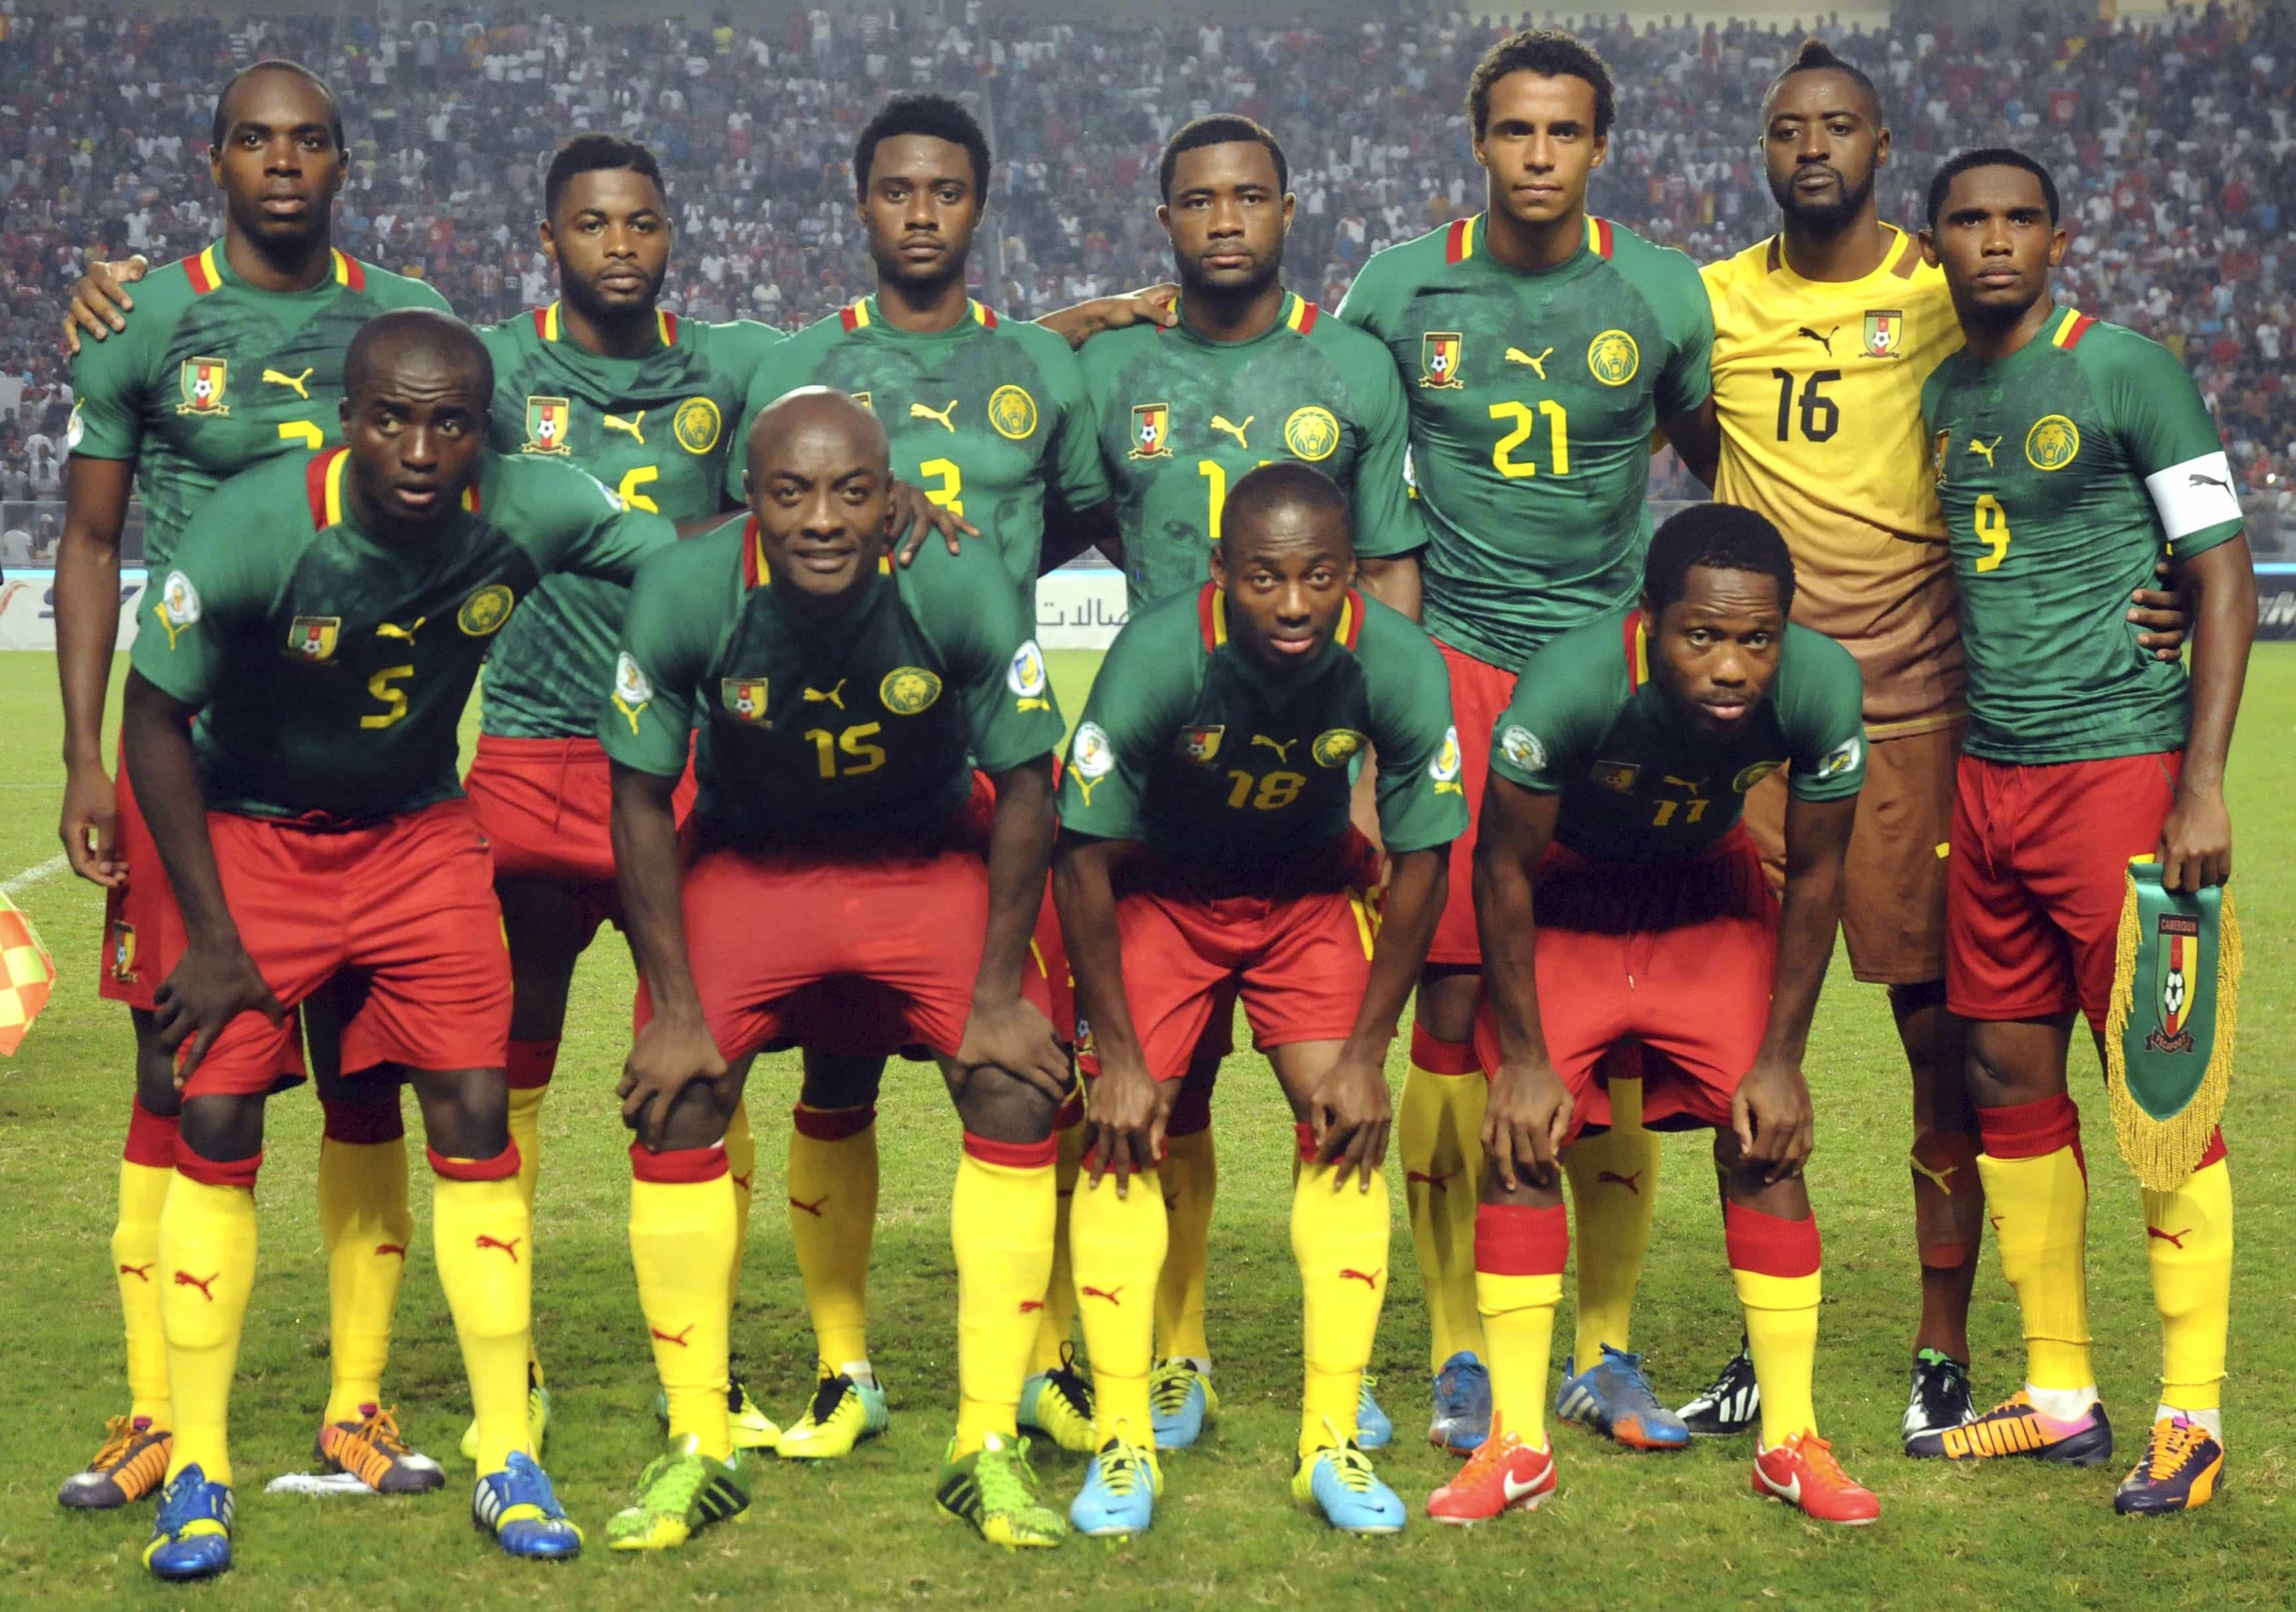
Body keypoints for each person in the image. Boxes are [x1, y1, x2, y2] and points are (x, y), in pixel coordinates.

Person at [1671, 37, 2191, 1450]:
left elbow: (2068, 428)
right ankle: (1753, 1341)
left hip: (1919, 722)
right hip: (1758, 734)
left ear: (1883, 143)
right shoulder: (1710, 301)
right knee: (1738, 1038)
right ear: (1763, 150)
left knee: (1941, 1048)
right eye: (1790, 130)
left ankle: (1943, 1347)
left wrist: (2157, 580)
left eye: (1841, 125)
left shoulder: (1952, 290)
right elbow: (1682, 427)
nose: (1815, 149)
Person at [119, 307, 678, 1578]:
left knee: (475, 1116)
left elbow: (686, 558)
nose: (422, 447)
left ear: (482, 432)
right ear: (347, 420)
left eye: (450, 422)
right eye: (393, 417)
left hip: (420, 836)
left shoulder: (532, 506)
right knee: (215, 1122)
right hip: (256, 837)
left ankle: (504, 1453)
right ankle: (196, 1465)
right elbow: (153, 717)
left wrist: (840, 534)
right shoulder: (261, 527)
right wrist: (209, 936)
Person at [53, 59, 454, 1515]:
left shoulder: (404, 320)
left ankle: (356, 1404)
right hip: (199, 780)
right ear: (215, 158)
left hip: (375, 774)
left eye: (309, 141)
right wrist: (85, 750)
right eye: (254, 141)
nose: (282, 162)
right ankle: (157, 1406)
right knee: (177, 1074)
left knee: (366, 1083)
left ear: (344, 160)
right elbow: (91, 544)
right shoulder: (148, 318)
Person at [721, 92, 1122, 1462]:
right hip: (828, 781)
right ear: (863, 204)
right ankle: (845, 1368)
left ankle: (1044, 1352)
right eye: (897, 190)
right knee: (831, 1076)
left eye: (946, 190)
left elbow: (1081, 526)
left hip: (991, 779)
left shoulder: (1041, 371)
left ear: (979, 203)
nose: (921, 213)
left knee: (1025, 1065)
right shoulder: (797, 368)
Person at [602, 387, 1074, 1550]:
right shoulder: (682, 589)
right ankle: (698, 1445)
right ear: (749, 501)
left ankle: (986, 1447)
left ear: (890, 499)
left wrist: (1002, 991)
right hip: (755, 869)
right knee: (677, 1094)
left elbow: (1027, 784)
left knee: (1017, 1083)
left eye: (851, 492)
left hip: (920, 865)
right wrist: (670, 1007)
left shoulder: (955, 580)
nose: (821, 519)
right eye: (792, 493)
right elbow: (637, 799)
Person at [1336, 27, 1714, 1456]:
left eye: (1565, 133)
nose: (1539, 156)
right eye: (1515, 133)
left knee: (1604, 1019)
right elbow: (1345, 452)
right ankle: (1458, 1354)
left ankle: (1605, 1353)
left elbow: (1714, 456)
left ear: (1599, 146)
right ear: (1477, 141)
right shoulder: (1397, 287)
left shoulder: (1658, 290)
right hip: (1456, 673)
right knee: (1445, 1013)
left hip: (1615, 677)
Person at [1070, 112, 1422, 1453]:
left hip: (1306, 783)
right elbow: (1011, 451)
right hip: (1162, 786)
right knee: (1170, 1087)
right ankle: (1180, 1348)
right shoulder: (1114, 373)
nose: (1226, 219)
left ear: (1288, 209)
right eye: (1199, 200)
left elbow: (1387, 569)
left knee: (1326, 1079)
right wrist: (1082, 313)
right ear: (1164, 221)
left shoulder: (1352, 367)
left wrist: (1381, 780)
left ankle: (1341, 1364)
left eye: (1250, 196)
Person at [1914, 148, 2254, 1516]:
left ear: (2057, 236)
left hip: (2119, 774)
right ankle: (2059, 1396)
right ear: (1935, 241)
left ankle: (2194, 1413)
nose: (1993, 241)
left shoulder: (2132, 369)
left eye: (2017, 219)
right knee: (2007, 1083)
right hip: (1988, 782)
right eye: (1968, 221)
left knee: (2163, 1098)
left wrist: (2204, 779)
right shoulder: (1943, 391)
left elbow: (2220, 572)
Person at [1436, 503, 1880, 1527]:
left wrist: (1781, 1058)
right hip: (1571, 895)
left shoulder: (1820, 688)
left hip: (1703, 896)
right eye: (1703, 636)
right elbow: (1499, 863)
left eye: (1756, 640)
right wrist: (1526, 1059)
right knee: (1521, 1138)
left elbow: (1815, 876)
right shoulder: (1569, 686)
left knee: (1765, 1140)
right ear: (1649, 621)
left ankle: (1791, 1441)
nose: (1732, 667)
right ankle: (1514, 1444)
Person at [460, 133, 789, 1463]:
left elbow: (893, 356)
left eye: (641, 223)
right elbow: (325, 364)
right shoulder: (490, 366)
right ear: (551, 238)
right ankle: (514, 1352)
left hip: (689, 757)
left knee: (706, 1050)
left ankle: (698, 1367)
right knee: (508, 1056)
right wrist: (126, 295)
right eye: (593, 224)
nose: (619, 245)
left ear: (671, 235)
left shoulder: (734, 363)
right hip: (534, 752)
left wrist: (1083, 323)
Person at [1052, 463, 1459, 1536]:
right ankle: (1123, 1439)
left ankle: (1328, 1440)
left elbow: (1422, 862)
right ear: (1221, 570)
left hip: (1304, 895)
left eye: (1319, 577)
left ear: (1350, 577)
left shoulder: (1398, 662)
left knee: (1344, 1121)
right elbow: (1080, 851)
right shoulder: (1157, 653)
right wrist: (1124, 1060)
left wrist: (1371, 1053)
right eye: (1265, 577)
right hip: (1162, 893)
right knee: (1122, 1129)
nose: (1291, 604)